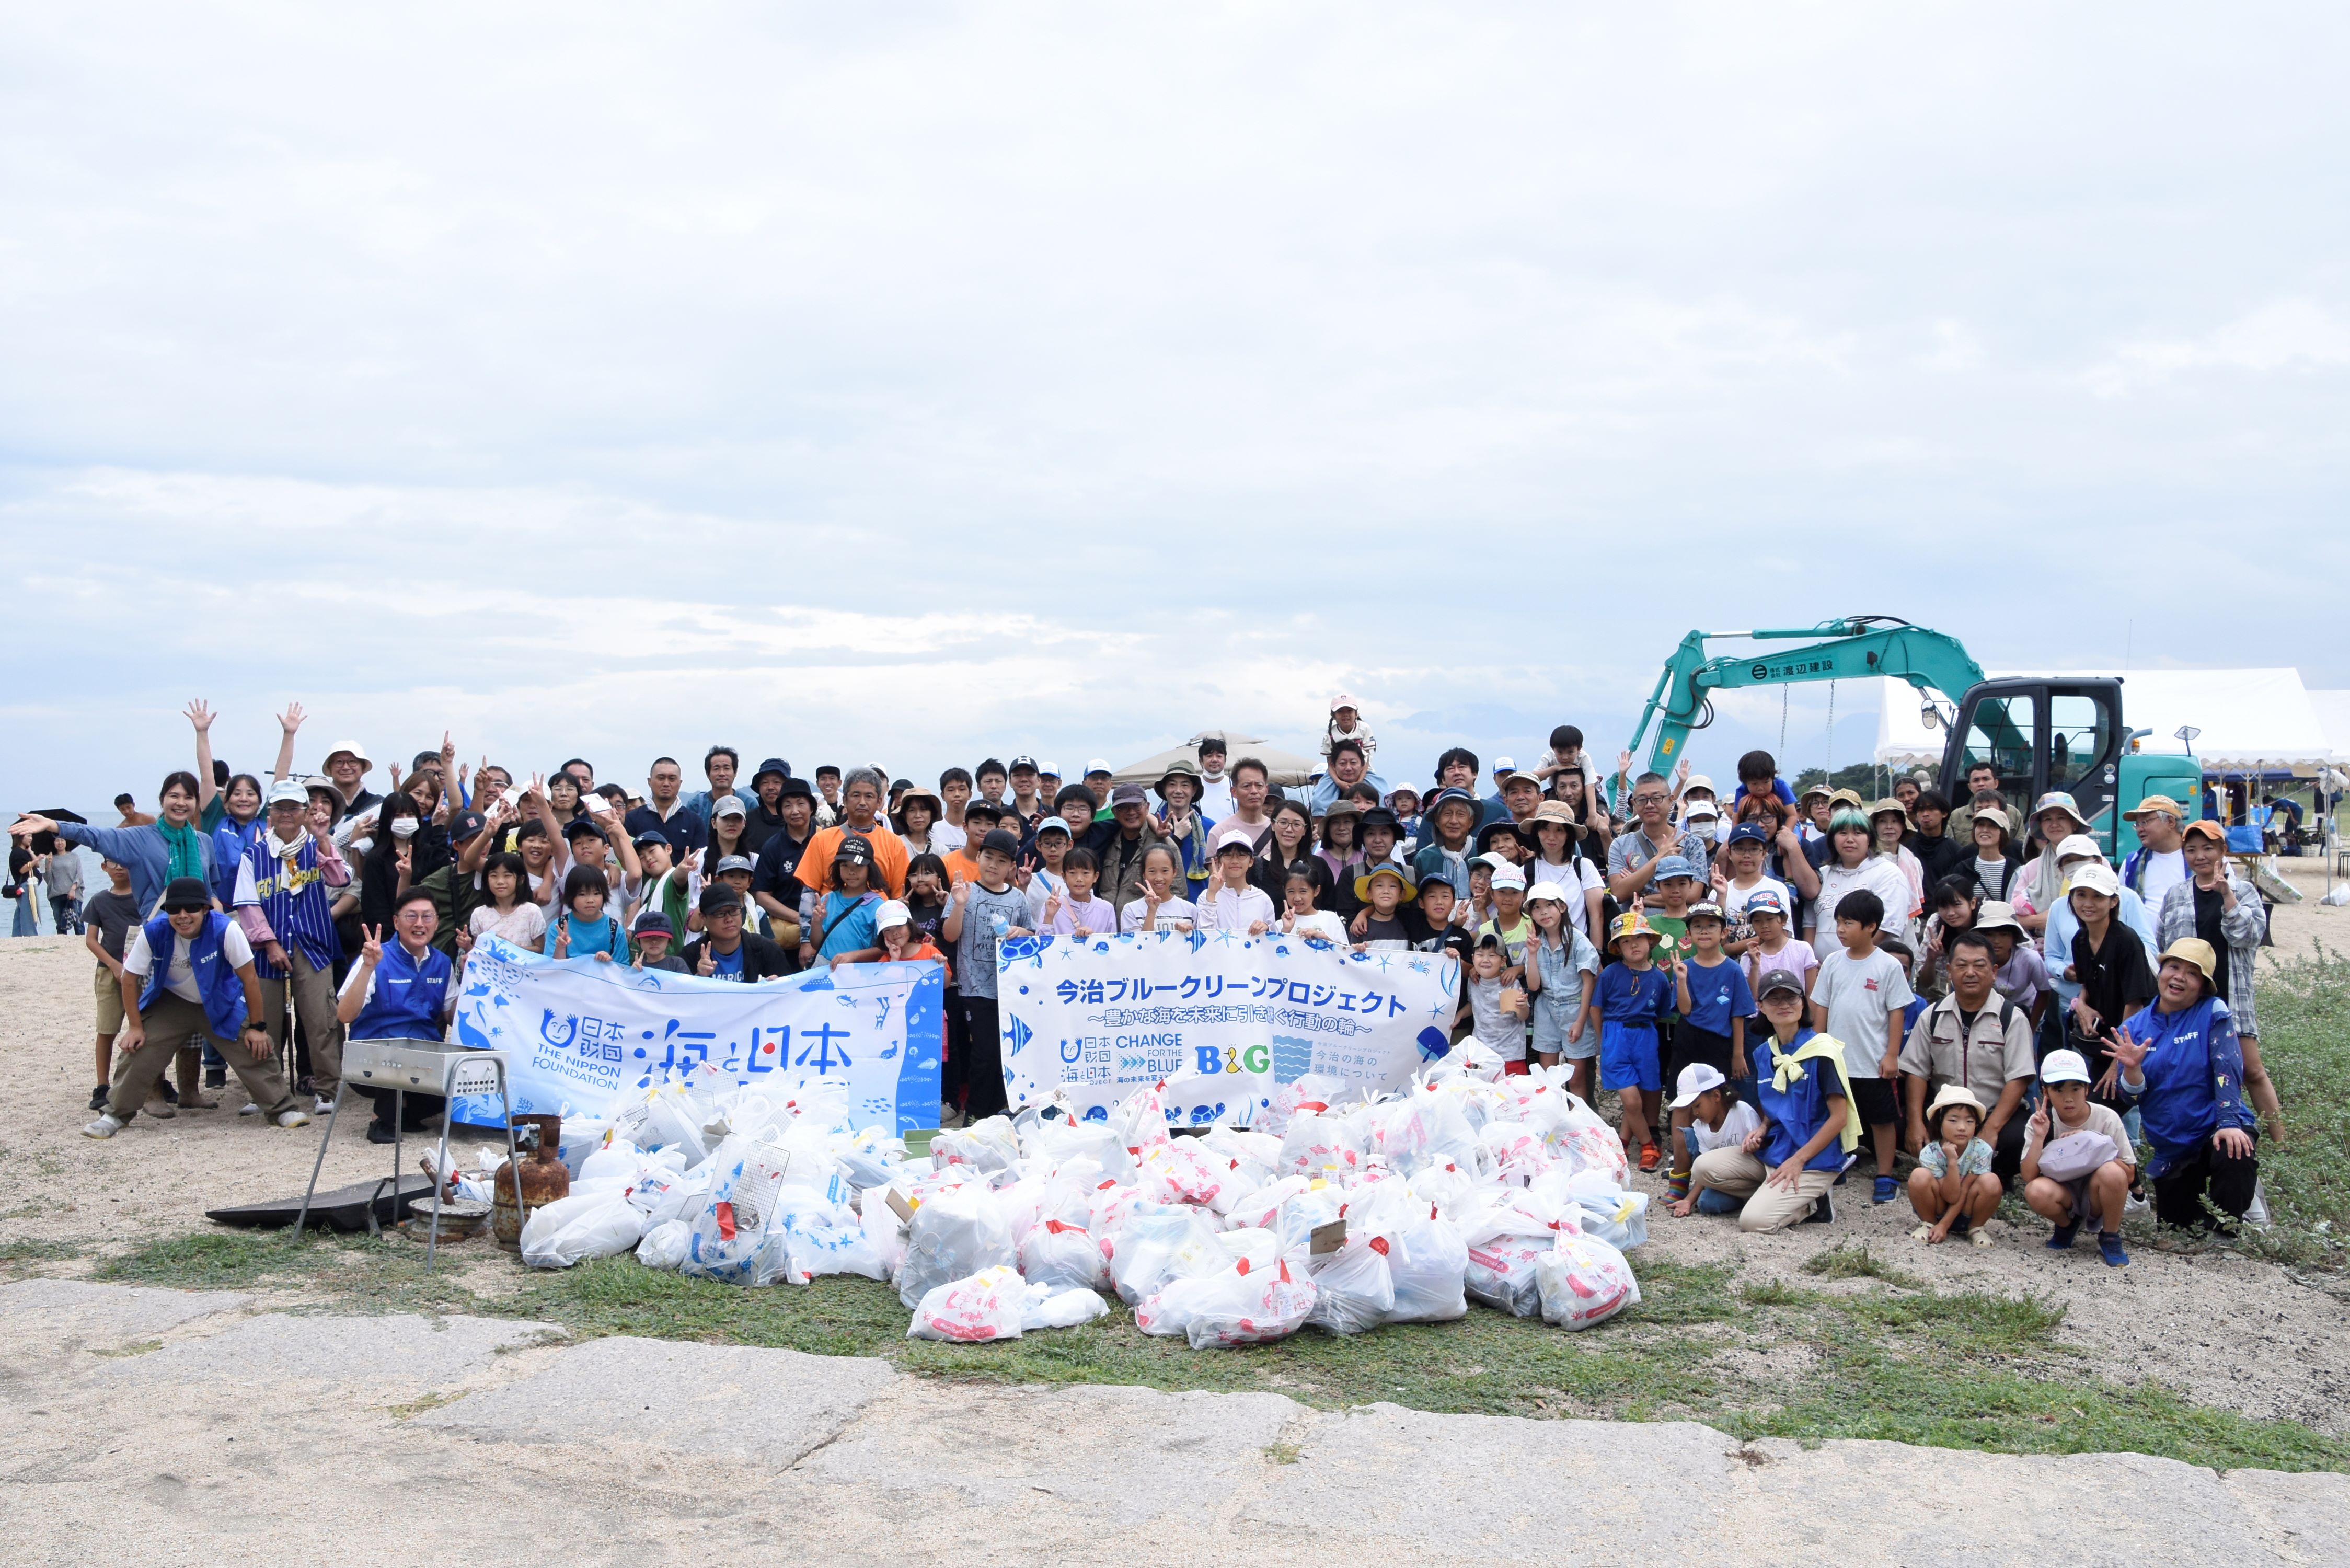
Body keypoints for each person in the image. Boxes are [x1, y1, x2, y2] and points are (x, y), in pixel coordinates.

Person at [88, 870, 319, 1140]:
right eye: (174, 909)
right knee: (139, 1048)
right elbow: (129, 980)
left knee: (255, 1046)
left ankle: (282, 1108)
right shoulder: (153, 931)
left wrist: (258, 1027)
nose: (183, 916)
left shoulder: (226, 929)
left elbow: (249, 979)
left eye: (192, 908)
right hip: (172, 1002)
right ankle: (115, 1114)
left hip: (220, 999)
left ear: (206, 909)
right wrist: (135, 1027)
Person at [2110, 938, 2259, 1235]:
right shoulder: (2135, 1026)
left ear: (2203, 986)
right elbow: (2129, 1096)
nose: (2179, 977)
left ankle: (2229, 1228)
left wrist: (2229, 1122)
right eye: (2173, 967)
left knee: (2234, 1150)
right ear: (2161, 972)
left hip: (2214, 1126)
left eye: (2192, 973)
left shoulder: (2212, 1011)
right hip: (2172, 1144)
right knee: (2177, 1231)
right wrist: (2133, 1069)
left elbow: (2227, 1068)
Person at [1688, 967, 1851, 1231]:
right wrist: (1762, 1128)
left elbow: (1840, 1118)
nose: (1784, 1005)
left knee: (1753, 1222)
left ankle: (1813, 1203)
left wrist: (1799, 1160)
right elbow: (1775, 1106)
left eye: (1792, 997)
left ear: (1803, 1003)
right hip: (1775, 1150)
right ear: (1761, 1007)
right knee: (1702, 1168)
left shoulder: (1823, 1051)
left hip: (1812, 1159)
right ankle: (1774, 1196)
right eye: (1774, 999)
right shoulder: (1765, 1053)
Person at [232, 779, 352, 1113]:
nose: (286, 814)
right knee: (264, 1020)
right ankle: (266, 1092)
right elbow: (247, 905)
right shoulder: (254, 854)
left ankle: (327, 1088)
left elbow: (340, 879)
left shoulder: (317, 846)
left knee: (321, 1019)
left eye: (294, 808)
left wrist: (323, 838)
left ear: (305, 812)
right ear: (270, 813)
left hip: (313, 944)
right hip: (266, 949)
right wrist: (269, 943)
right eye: (280, 808)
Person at [2152, 818, 2278, 1136]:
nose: (2200, 856)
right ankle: (2205, 1138)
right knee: (2195, 1072)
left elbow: (2250, 936)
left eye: (2208, 848)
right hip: (2189, 1000)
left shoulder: (2245, 891)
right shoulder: (2176, 894)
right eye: (2191, 850)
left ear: (2223, 850)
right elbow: (2164, 945)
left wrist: (2227, 896)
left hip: (2232, 995)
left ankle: (2282, 1145)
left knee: (2251, 1070)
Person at [1898, 929, 2035, 1180]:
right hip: (1944, 1113)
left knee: (2019, 1138)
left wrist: (1991, 1129)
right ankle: (1941, 1167)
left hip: (1992, 1112)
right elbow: (1916, 1071)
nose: (1970, 973)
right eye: (1962, 966)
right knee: (1896, 1122)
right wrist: (1915, 1122)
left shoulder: (2011, 1017)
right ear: (1950, 971)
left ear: (1994, 972)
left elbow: (2019, 1079)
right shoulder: (1933, 1015)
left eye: (1979, 966)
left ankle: (1996, 1177)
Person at [331, 888, 460, 1143]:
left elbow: (452, 1017)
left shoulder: (443, 963)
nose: (420, 923)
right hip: (375, 1059)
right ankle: (381, 1120)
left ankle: (404, 1112)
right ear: (396, 922)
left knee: (450, 1095)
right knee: (397, 1058)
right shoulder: (376, 956)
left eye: (427, 916)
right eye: (411, 916)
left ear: (437, 922)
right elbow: (344, 1014)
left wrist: (472, 975)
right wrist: (368, 967)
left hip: (424, 1056)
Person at [1811, 889, 1914, 1204]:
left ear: (1871, 927)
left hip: (1872, 1061)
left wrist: (1892, 1055)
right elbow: (1821, 1006)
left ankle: (1885, 1174)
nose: (1840, 930)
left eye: (1848, 923)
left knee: (1881, 1119)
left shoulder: (1888, 966)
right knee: (1834, 1114)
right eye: (1838, 922)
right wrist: (1817, 1048)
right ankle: (1837, 1163)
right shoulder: (1832, 962)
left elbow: (1897, 1012)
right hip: (1837, 1059)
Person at [18, 773, 216, 917]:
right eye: (174, 796)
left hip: (201, 929)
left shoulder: (204, 842)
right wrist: (54, 825)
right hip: (160, 930)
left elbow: (213, 888)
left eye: (188, 797)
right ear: (162, 799)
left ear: (196, 802)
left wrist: (218, 913)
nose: (181, 803)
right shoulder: (140, 838)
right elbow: (97, 836)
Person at [1664, 902, 1755, 1202]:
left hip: (1720, 1043)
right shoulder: (1686, 967)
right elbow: (1685, 1009)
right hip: (1689, 1039)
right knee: (1682, 1107)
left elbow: (1738, 1014)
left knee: (1717, 1106)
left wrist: (1738, 1053)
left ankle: (1713, 1171)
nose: (1704, 931)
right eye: (1698, 926)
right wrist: (1680, 979)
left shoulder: (1733, 969)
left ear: (1724, 932)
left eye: (1711, 926)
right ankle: (1680, 1176)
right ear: (1689, 934)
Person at [942, 828, 1030, 1120]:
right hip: (974, 987)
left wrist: (1022, 932)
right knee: (984, 1052)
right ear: (978, 857)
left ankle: (999, 1112)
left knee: (1005, 1053)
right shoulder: (964, 890)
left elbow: (1031, 934)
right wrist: (959, 904)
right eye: (989, 857)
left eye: (1002, 860)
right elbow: (949, 936)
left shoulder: (1018, 899)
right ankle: (976, 1115)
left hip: (1009, 990)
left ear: (1011, 867)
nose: (993, 865)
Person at [2020, 1047, 2135, 1266]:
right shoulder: (2041, 1121)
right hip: (2064, 1193)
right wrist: (2040, 1136)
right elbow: (2029, 1176)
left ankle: (2110, 1236)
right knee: (2035, 1190)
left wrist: (2090, 1142)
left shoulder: (2107, 1118)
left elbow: (2129, 1173)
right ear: (2045, 1092)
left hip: (2098, 1193)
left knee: (2112, 1172)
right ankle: (2068, 1226)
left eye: (2076, 1089)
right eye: (2059, 1090)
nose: (2068, 1099)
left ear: (2087, 1089)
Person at [2060, 860, 2154, 1113]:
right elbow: (2087, 982)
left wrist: (2119, 1063)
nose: (2088, 903)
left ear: (2113, 902)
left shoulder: (2126, 942)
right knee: (2091, 1108)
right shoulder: (2080, 939)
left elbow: (2135, 1004)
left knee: (2101, 1108)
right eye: (2081, 895)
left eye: (2098, 896)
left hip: (2138, 1040)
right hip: (2109, 1041)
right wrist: (2082, 1005)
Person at [1588, 911, 1675, 1170]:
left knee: (1640, 1092)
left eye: (1638, 938)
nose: (1633, 944)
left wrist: (1643, 1032)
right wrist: (1604, 1040)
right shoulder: (1611, 974)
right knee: (1632, 1100)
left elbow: (1660, 1013)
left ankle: (1622, 1141)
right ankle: (1648, 1145)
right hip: (1616, 1035)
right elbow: (1596, 1008)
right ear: (1618, 947)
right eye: (1625, 941)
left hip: (1646, 1037)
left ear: (1650, 940)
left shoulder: (1660, 978)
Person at [1905, 1085, 2001, 1248]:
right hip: (1939, 1208)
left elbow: (1964, 1191)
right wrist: (1952, 1162)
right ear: (1939, 1122)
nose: (1962, 1127)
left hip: (1967, 1210)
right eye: (1953, 1120)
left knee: (1991, 1181)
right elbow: (1950, 1196)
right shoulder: (1931, 1152)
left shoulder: (1982, 1150)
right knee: (1919, 1175)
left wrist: (1945, 1225)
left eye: (1970, 1121)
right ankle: (1929, 1223)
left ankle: (1975, 1228)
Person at [1664, 1064, 1764, 1219]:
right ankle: (1744, 1199)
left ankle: (1756, 1196)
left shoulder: (1743, 1111)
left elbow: (1762, 1153)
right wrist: (1689, 1201)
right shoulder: (1699, 1126)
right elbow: (1705, 1170)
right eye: (1692, 1108)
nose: (1695, 1113)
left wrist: (1755, 1146)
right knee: (1707, 1203)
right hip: (1724, 1181)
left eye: (1698, 1106)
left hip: (1750, 1176)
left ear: (1716, 1096)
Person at [1807, 808, 1916, 949]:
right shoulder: (1823, 874)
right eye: (1843, 833)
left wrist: (1847, 958)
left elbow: (1886, 927)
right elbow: (1809, 922)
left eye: (1858, 833)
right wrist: (1809, 959)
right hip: (1820, 963)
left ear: (1869, 839)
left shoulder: (1889, 874)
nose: (1850, 840)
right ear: (1832, 839)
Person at [81, 859, 141, 1111]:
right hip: (109, 972)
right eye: (112, 863)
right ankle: (102, 1085)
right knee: (107, 1028)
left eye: (123, 863)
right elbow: (91, 940)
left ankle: (155, 1082)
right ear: (104, 867)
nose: (119, 868)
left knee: (148, 1025)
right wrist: (114, 965)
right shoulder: (99, 900)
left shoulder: (143, 896)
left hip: (141, 970)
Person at [1607, 771, 1712, 908]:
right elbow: (1619, 894)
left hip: (1680, 921)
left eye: (1657, 798)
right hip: (1636, 921)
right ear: (1634, 804)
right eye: (1642, 800)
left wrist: (1641, 897)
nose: (1649, 805)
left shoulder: (1693, 843)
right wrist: (1658, 859)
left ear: (1671, 800)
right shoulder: (1621, 845)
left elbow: (1692, 896)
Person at [2014, 791, 2096, 937]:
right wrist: (2038, 921)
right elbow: (2012, 916)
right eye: (2047, 819)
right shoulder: (2032, 868)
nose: (2054, 824)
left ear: (2074, 823)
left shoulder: (2095, 861)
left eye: (2061, 818)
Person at [1524, 801, 1607, 941]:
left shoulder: (1583, 867)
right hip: (1540, 950)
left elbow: (1597, 916)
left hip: (1580, 949)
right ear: (1537, 832)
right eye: (1545, 829)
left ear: (1568, 834)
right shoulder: (1526, 871)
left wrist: (1595, 952)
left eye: (1559, 830)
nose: (1551, 837)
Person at [681, 887, 792, 982]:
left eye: (734, 911)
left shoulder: (768, 950)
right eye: (720, 913)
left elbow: (790, 994)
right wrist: (698, 978)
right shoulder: (691, 956)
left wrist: (777, 986)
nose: (729, 919)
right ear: (703, 918)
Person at [807, 836, 887, 965]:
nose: (851, 872)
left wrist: (854, 956)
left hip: (858, 972)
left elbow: (884, 948)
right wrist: (817, 922)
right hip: (825, 968)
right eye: (845, 865)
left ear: (870, 869)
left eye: (859, 866)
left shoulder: (878, 906)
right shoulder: (828, 900)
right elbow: (816, 944)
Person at [1458, 937, 1528, 1069]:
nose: (1486, 960)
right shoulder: (1474, 981)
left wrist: (1522, 1006)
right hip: (1481, 1054)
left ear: (1503, 961)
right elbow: (1474, 1004)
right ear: (1473, 959)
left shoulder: (1510, 983)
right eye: (1480, 955)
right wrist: (1459, 1016)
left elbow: (1522, 1016)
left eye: (1492, 956)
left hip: (1510, 1054)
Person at [623, 756, 709, 861]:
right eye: (661, 778)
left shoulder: (695, 821)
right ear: (649, 781)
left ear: (680, 783)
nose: (666, 784)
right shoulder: (631, 820)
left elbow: (699, 861)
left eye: (672, 779)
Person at [1738, 886, 1816, 999]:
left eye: (1770, 919)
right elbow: (1752, 998)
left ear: (1784, 920)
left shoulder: (1803, 949)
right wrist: (1755, 966)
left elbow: (1811, 994)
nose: (1764, 925)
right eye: (1757, 921)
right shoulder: (1749, 957)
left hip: (1798, 1009)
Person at [1193, 829, 1276, 935]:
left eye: (1242, 855)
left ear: (1251, 861)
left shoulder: (1263, 899)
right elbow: (1204, 935)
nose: (1235, 861)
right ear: (1218, 861)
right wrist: (1212, 895)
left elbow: (1274, 939)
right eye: (1228, 855)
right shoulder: (1207, 896)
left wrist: (1266, 928)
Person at [464, 850, 548, 951]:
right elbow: (478, 951)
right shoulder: (479, 914)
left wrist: (509, 947)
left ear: (521, 880)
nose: (500, 882)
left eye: (507, 876)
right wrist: (467, 946)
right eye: (494, 876)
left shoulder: (532, 911)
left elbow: (540, 950)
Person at [1251, 799, 1326, 908]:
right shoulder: (1257, 868)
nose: (1289, 829)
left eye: (1297, 824)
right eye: (1283, 823)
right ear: (1273, 825)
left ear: (1305, 829)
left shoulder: (1319, 865)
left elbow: (1329, 909)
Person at [1410, 787, 1480, 898]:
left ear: (1471, 821)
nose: (1453, 821)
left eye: (1461, 814)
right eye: (1447, 814)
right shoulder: (1424, 858)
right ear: (1437, 821)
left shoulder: (1482, 851)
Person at [1038, 847, 1119, 937]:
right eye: (1072, 873)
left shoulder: (1106, 909)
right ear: (1064, 876)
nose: (1079, 879)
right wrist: (1049, 917)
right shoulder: (1052, 906)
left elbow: (1112, 943)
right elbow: (1041, 944)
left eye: (1086, 873)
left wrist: (1094, 938)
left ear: (1095, 877)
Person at [1119, 843, 1196, 933]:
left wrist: (1190, 932)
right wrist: (1151, 911)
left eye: (1165, 871)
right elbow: (1137, 942)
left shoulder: (1190, 909)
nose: (1159, 878)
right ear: (1144, 873)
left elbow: (1202, 939)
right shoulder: (1131, 910)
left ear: (1174, 872)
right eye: (1152, 871)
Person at [1960, 804, 2023, 903]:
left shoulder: (2016, 870)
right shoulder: (1963, 868)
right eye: (1980, 825)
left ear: (2003, 833)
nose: (1985, 830)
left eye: (1992, 826)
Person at [1906, 790, 1967, 889]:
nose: (1925, 814)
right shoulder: (1906, 848)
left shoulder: (1955, 851)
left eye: (1931, 809)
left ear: (1944, 813)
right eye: (1921, 810)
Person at [1280, 865, 1351, 948]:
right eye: (1291, 891)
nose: (1297, 898)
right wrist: (1286, 931)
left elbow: (1345, 952)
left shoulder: (1331, 918)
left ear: (1316, 891)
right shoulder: (1281, 924)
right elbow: (1275, 953)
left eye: (1303, 891)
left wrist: (1324, 939)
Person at [683, 745, 753, 827]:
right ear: (708, 774)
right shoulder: (696, 805)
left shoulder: (749, 803)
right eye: (716, 769)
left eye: (727, 768)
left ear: (735, 773)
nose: (722, 773)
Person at [628, 910, 689, 974]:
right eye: (648, 937)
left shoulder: (677, 964)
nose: (654, 941)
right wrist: (633, 974)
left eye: (661, 937)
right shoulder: (637, 967)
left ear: (670, 940)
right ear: (637, 941)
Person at [1195, 736, 1235, 822]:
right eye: (1209, 756)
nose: (1214, 760)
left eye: (1219, 756)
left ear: (1225, 760)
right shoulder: (1194, 787)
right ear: (1201, 761)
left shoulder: (1235, 787)